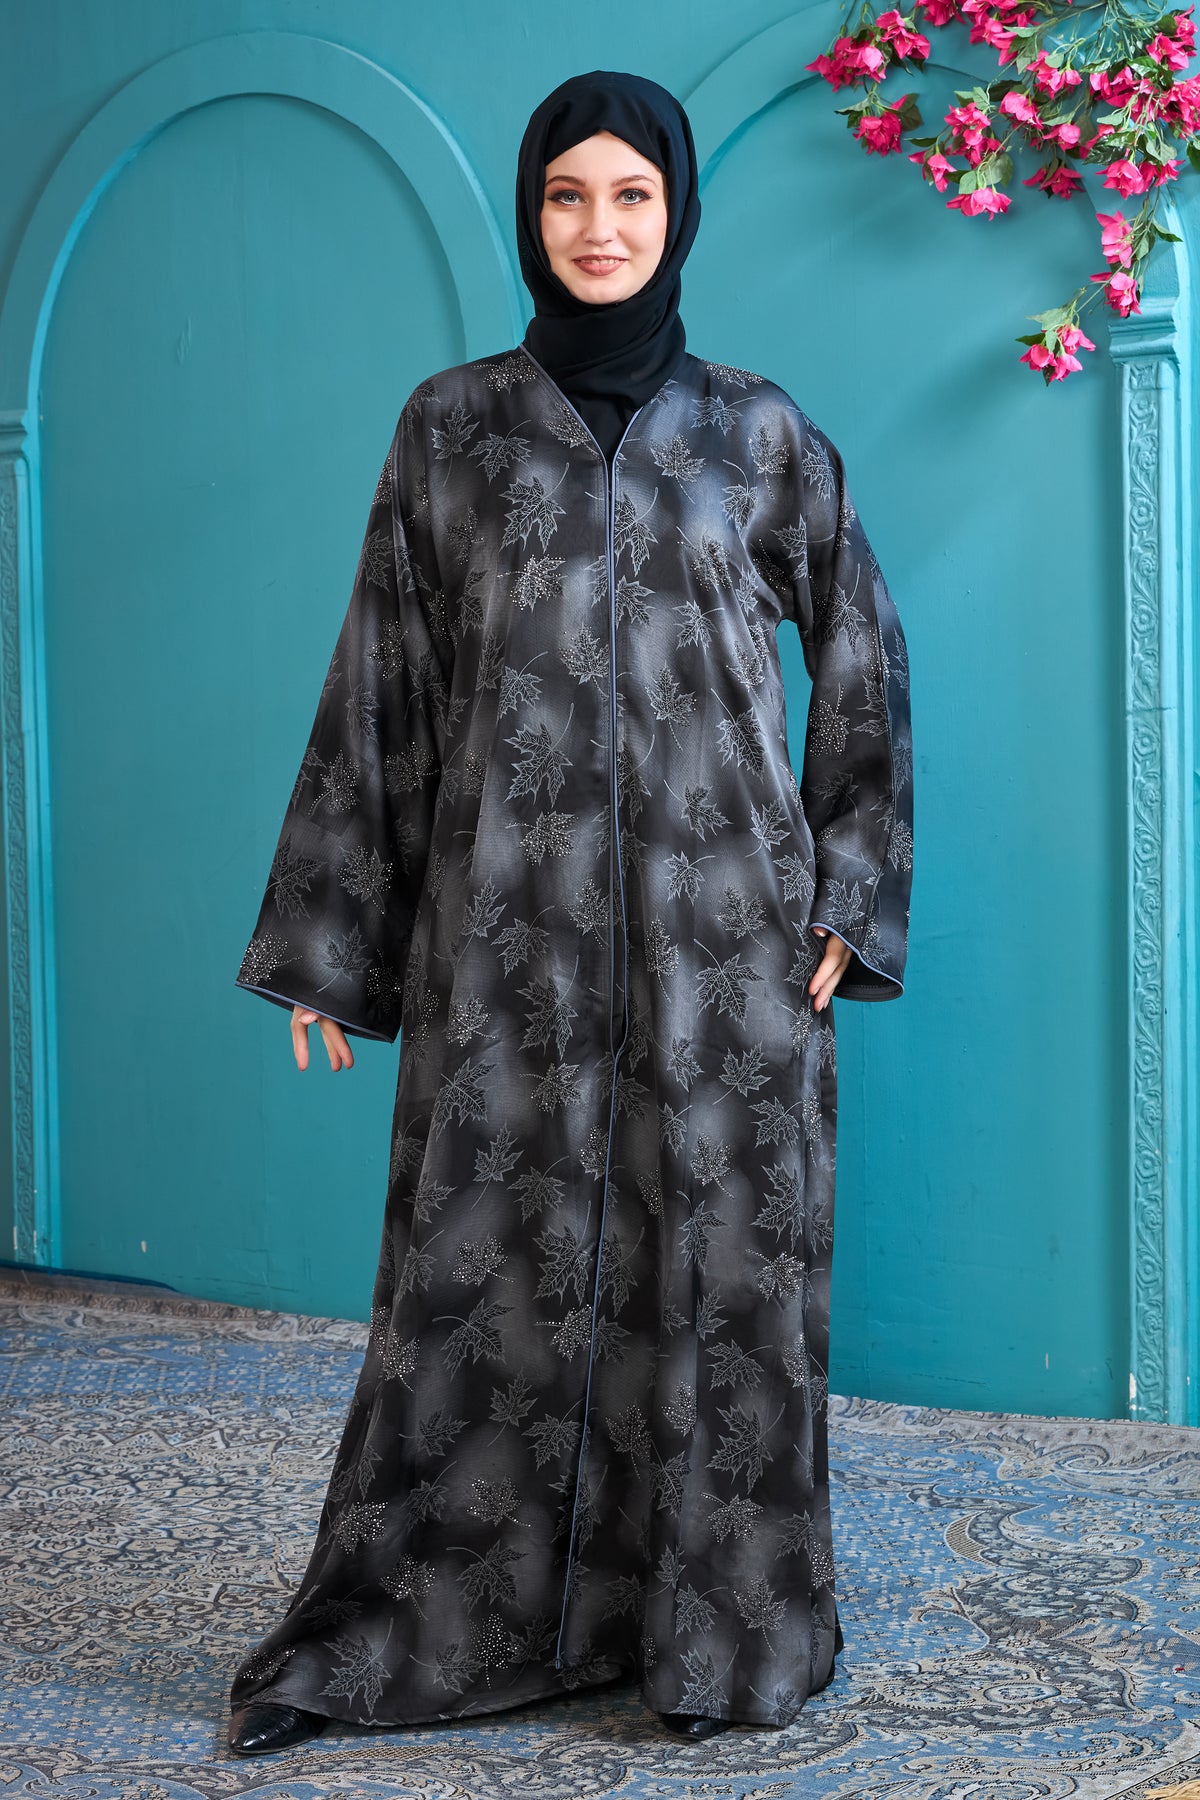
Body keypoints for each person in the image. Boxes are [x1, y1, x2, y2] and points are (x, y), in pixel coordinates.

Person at [227, 67, 913, 1757]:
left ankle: (714, 1637)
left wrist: (853, 887)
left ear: (677, 214)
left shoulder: (757, 433)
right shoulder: (449, 430)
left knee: (719, 1286)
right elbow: (383, 680)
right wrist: (334, 936)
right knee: (487, 1284)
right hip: (503, 953)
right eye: (565, 195)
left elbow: (863, 654)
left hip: (727, 965)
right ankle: (437, 1626)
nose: (598, 228)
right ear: (531, 215)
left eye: (630, 195)